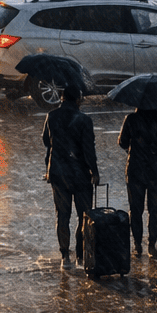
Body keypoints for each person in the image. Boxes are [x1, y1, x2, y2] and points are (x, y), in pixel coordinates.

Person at [42, 85, 99, 267]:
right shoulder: (84, 120)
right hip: (80, 175)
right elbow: (89, 150)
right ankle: (81, 255)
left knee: (63, 215)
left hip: (58, 173)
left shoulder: (51, 116)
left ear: (61, 98)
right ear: (78, 100)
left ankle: (65, 256)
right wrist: (95, 172)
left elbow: (46, 141)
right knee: (84, 215)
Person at [117, 106, 157, 258]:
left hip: (136, 169)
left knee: (136, 210)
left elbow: (122, 142)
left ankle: (137, 244)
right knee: (155, 209)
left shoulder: (131, 120)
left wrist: (133, 148)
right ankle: (152, 244)